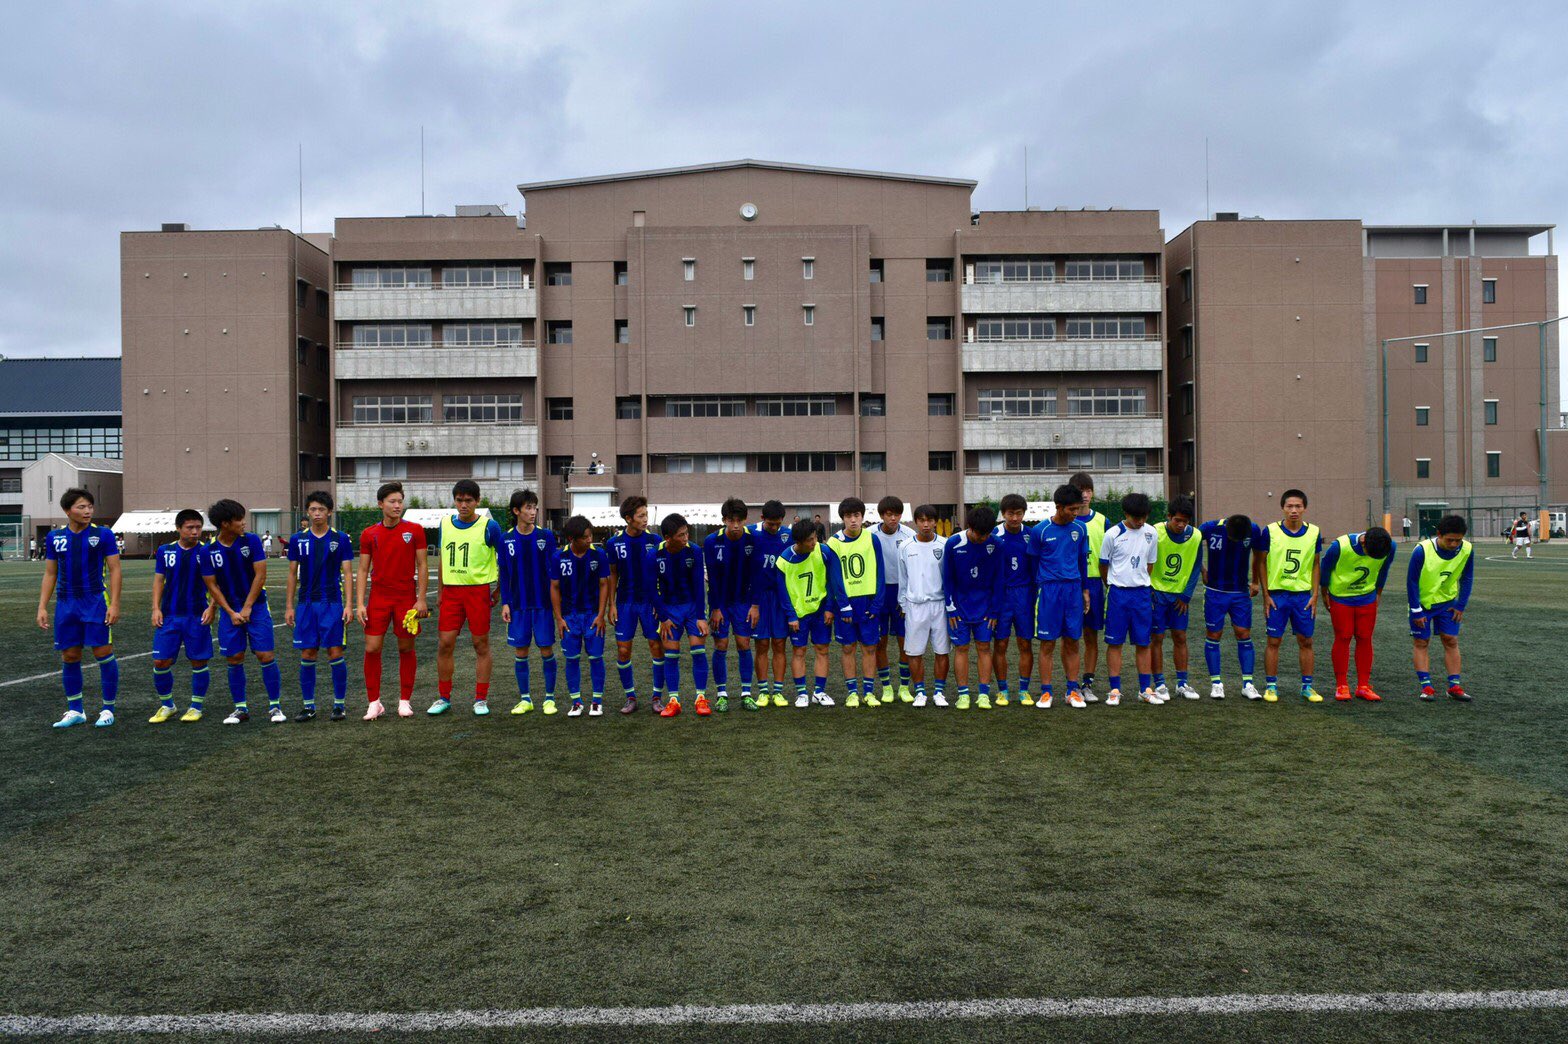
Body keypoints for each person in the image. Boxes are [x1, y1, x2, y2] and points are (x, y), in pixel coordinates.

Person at [36, 487, 122, 728]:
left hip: (95, 601)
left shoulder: (103, 534)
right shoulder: (55, 538)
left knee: (102, 653)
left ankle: (108, 709)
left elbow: (115, 569)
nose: (87, 511)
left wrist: (114, 603)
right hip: (66, 603)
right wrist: (42, 606)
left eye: (90, 507)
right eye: (81, 507)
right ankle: (76, 710)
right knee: (70, 655)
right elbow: (50, 572)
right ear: (67, 511)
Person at [200, 499, 283, 724]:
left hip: (255, 608)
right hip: (230, 613)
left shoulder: (252, 541)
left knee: (265, 656)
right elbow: (212, 585)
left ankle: (275, 707)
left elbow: (260, 575)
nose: (243, 523)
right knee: (234, 658)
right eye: (239, 519)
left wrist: (246, 607)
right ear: (225, 524)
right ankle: (240, 708)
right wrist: (229, 611)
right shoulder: (209, 551)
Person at [355, 480, 429, 721]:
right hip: (378, 597)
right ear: (381, 504)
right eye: (392, 501)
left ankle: (404, 701)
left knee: (406, 647)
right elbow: (363, 570)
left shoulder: (415, 530)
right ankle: (374, 703)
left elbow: (422, 564)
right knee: (372, 648)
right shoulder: (369, 533)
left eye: (400, 501)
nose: (397, 505)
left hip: (405, 598)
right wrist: (360, 603)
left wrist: (420, 599)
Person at [432, 480, 502, 716]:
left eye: (468, 500)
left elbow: (505, 559)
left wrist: (499, 589)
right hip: (452, 593)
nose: (463, 505)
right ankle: (443, 697)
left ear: (477, 501)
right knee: (445, 643)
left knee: (480, 644)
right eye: (459, 500)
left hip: (477, 591)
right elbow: (443, 557)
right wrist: (441, 591)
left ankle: (481, 699)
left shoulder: (489, 526)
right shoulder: (444, 524)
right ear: (454, 500)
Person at [285, 490, 356, 722]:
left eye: (321, 510)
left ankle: (339, 705)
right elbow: (292, 573)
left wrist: (349, 605)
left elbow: (347, 573)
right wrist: (289, 606)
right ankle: (308, 706)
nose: (317, 514)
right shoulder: (297, 539)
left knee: (334, 652)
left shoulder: (340, 538)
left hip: (332, 603)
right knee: (308, 653)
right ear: (307, 512)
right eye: (313, 509)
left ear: (329, 512)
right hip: (306, 604)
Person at [149, 509, 215, 723]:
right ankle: (168, 705)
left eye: (198, 527)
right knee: (160, 661)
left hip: (197, 615)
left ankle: (196, 706)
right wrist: (155, 608)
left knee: (198, 661)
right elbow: (159, 580)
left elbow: (216, 583)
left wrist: (212, 606)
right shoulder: (164, 551)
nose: (195, 532)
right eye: (190, 528)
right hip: (169, 615)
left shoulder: (207, 552)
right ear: (178, 528)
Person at [1028, 484, 1090, 709]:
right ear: (1059, 507)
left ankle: (1072, 690)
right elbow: (1033, 564)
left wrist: (1084, 590)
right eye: (1071, 509)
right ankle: (1046, 692)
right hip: (1049, 590)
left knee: (1073, 641)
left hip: (1073, 590)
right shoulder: (1040, 531)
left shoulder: (1080, 530)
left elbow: (1082, 561)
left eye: (1077, 509)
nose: (1075, 513)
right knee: (1047, 643)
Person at [1258, 489, 1322, 703]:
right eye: (1289, 506)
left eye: (1298, 506)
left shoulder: (1314, 532)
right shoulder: (1270, 531)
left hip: (1303, 596)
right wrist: (1266, 594)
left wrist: (1315, 595)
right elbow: (1261, 563)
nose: (1294, 510)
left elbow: (1315, 564)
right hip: (1277, 595)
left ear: (1304, 508)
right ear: (1282, 508)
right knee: (1274, 640)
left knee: (1306, 641)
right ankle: (1271, 686)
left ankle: (1307, 686)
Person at [497, 488, 557, 715]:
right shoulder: (506, 539)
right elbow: (504, 572)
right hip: (518, 606)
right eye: (528, 508)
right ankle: (526, 699)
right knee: (521, 651)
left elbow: (553, 572)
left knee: (546, 649)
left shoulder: (545, 536)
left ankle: (549, 699)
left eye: (535, 507)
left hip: (542, 604)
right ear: (516, 511)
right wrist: (505, 602)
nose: (533, 512)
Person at [1099, 492, 1161, 705]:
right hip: (1118, 594)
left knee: (1143, 642)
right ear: (1126, 513)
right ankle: (1114, 689)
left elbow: (1150, 564)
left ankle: (1145, 689)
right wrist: (1114, 584)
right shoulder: (1112, 534)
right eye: (1136, 517)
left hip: (1142, 594)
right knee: (1115, 643)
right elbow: (1103, 565)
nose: (1141, 521)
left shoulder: (1152, 533)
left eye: (1144, 516)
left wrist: (1138, 580)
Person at [1322, 526, 1396, 701]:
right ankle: (1341, 685)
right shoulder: (1339, 546)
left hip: (1367, 597)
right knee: (1343, 637)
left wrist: (1378, 593)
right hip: (1341, 598)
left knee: (1365, 638)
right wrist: (1324, 593)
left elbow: (1383, 570)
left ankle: (1363, 686)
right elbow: (1325, 569)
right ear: (1363, 541)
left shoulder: (1388, 547)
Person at [774, 516, 842, 707]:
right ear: (799, 542)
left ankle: (819, 692)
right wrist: (791, 616)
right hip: (799, 614)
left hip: (820, 610)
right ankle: (802, 693)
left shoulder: (824, 551)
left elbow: (832, 580)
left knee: (822, 649)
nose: (814, 543)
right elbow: (783, 592)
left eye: (815, 538)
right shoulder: (784, 560)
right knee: (799, 651)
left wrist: (829, 608)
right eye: (810, 540)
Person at [606, 496, 664, 715]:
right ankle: (630, 697)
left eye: (646, 514)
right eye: (641, 516)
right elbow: (612, 574)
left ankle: (657, 698)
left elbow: (662, 573)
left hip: (650, 603)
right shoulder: (614, 543)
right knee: (623, 650)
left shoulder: (656, 541)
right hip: (625, 603)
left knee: (656, 648)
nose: (645, 519)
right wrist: (611, 605)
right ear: (628, 518)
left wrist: (660, 602)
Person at [827, 497, 887, 708]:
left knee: (870, 647)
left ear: (862, 516)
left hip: (869, 602)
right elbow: (834, 578)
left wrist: (878, 602)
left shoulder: (873, 539)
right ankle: (852, 692)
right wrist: (843, 605)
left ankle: (869, 692)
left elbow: (880, 571)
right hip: (846, 604)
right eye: (848, 516)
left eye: (856, 516)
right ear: (842, 518)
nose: (853, 520)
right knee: (848, 647)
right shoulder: (833, 542)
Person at [943, 504, 1005, 709]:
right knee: (961, 648)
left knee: (984, 647)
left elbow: (999, 580)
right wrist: (950, 607)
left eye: (986, 534)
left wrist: (994, 610)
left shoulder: (996, 544)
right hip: (959, 608)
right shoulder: (953, 543)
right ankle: (963, 695)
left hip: (986, 609)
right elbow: (948, 578)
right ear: (970, 527)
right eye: (979, 534)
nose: (982, 538)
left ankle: (984, 694)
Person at [1408, 514, 1474, 702]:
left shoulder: (1467, 549)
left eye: (1458, 540)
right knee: (1422, 642)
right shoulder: (1422, 550)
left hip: (1448, 602)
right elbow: (1411, 581)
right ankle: (1426, 687)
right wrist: (1416, 610)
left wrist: (1461, 605)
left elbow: (1467, 578)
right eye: (1450, 540)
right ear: (1439, 534)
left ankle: (1454, 686)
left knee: (1451, 640)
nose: (1454, 544)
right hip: (1422, 604)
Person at [1197, 513, 1263, 700]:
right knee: (1214, 635)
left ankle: (1248, 684)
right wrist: (1203, 569)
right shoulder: (1210, 527)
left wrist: (1255, 581)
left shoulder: (1254, 530)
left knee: (1243, 633)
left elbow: (1258, 556)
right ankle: (1216, 684)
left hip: (1240, 592)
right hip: (1214, 592)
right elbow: (1191, 546)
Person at [703, 497, 759, 712]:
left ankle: (746, 693)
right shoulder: (711, 541)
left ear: (744, 520)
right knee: (721, 645)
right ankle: (722, 694)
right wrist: (715, 608)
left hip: (744, 602)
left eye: (739, 520)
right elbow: (712, 578)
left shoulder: (753, 540)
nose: (735, 525)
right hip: (721, 603)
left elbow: (756, 575)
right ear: (724, 520)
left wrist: (755, 605)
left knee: (744, 644)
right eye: (730, 520)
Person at [551, 515, 610, 717]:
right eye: (585, 537)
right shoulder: (559, 557)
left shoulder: (599, 555)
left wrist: (601, 614)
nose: (589, 540)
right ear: (571, 539)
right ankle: (576, 702)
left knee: (596, 658)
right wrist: (559, 618)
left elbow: (605, 584)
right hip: (570, 617)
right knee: (572, 659)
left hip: (593, 615)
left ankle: (596, 701)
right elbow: (554, 587)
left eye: (590, 535)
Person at [652, 513, 710, 717]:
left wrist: (701, 616)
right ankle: (674, 700)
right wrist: (663, 617)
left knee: (698, 651)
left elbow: (698, 585)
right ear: (668, 538)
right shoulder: (654, 555)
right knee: (671, 654)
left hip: (692, 608)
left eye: (687, 533)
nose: (686, 538)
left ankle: (700, 698)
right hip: (669, 611)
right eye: (681, 535)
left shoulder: (694, 551)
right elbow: (651, 589)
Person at [895, 505, 949, 707]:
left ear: (936, 522)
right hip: (915, 605)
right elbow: (903, 578)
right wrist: (903, 604)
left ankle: (939, 692)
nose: (926, 524)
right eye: (921, 520)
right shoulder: (905, 546)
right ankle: (919, 692)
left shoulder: (945, 544)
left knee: (942, 651)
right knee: (914, 652)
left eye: (930, 520)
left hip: (939, 605)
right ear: (916, 522)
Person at [1150, 495, 1202, 701]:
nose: (1181, 525)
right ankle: (1160, 684)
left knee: (1180, 637)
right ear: (1169, 517)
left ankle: (1182, 683)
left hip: (1179, 596)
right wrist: (1149, 589)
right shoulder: (1155, 531)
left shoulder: (1196, 536)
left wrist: (1187, 595)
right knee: (1158, 638)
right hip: (1156, 593)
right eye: (1177, 520)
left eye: (1185, 521)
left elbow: (1197, 565)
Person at [991, 493, 1037, 706]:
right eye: (1011, 514)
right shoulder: (994, 535)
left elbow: (1036, 568)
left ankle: (1024, 690)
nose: (1015, 518)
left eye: (1019, 514)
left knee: (1024, 643)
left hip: (1024, 595)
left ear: (1024, 514)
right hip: (1001, 596)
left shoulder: (1031, 535)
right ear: (1003, 514)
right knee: (1000, 644)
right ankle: (1002, 691)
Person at [746, 501, 792, 709]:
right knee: (762, 644)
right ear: (763, 519)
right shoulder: (752, 535)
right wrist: (753, 604)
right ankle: (763, 691)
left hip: (782, 596)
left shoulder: (788, 536)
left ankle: (779, 692)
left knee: (780, 644)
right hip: (759, 597)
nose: (774, 528)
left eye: (778, 524)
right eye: (770, 524)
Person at [871, 495, 916, 703]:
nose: (893, 518)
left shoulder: (909, 535)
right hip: (878, 593)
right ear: (881, 515)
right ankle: (887, 687)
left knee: (904, 641)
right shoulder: (869, 534)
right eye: (889, 514)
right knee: (880, 642)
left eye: (897, 514)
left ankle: (904, 687)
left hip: (902, 593)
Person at [1068, 472, 1108, 701]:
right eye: (1080, 490)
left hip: (1094, 583)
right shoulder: (1067, 522)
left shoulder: (1102, 521)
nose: (1084, 494)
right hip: (1072, 584)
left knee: (1091, 635)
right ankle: (1071, 684)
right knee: (1071, 636)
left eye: (1088, 490)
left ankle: (1088, 683)